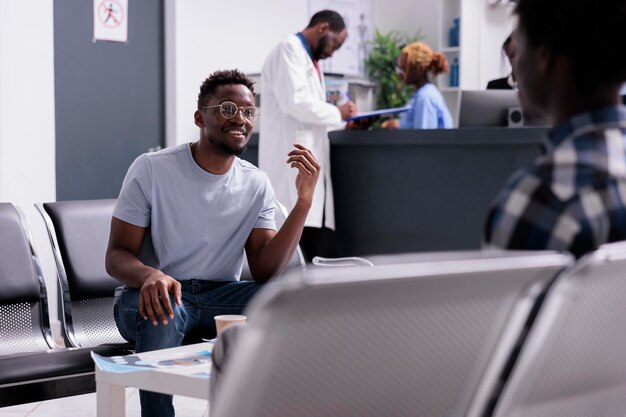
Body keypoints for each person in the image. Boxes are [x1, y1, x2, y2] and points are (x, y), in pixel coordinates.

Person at [106, 69, 320, 417]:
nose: (241, 119)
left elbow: (265, 270)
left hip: (220, 297)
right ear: (199, 117)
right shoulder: (152, 169)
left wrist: (303, 203)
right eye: (227, 109)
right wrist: (150, 276)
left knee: (289, 304)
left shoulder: (256, 183)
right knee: (165, 306)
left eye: (249, 111)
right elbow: (116, 256)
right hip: (149, 297)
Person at [484, 0, 626, 258]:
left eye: (520, 49)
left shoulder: (540, 200)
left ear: (544, 59)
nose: (515, 68)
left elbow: (502, 299)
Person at [259, 10, 357, 262]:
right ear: (323, 28)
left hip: (306, 161)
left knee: (311, 239)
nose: (333, 52)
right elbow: (296, 103)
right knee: (292, 241)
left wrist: (345, 123)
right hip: (290, 159)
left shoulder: (310, 60)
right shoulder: (288, 49)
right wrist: (338, 112)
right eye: (336, 43)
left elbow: (311, 113)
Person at [382, 42, 453, 129]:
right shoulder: (421, 94)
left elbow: (423, 138)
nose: (399, 74)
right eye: (399, 69)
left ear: (420, 69)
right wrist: (398, 125)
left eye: (404, 69)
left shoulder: (425, 98)